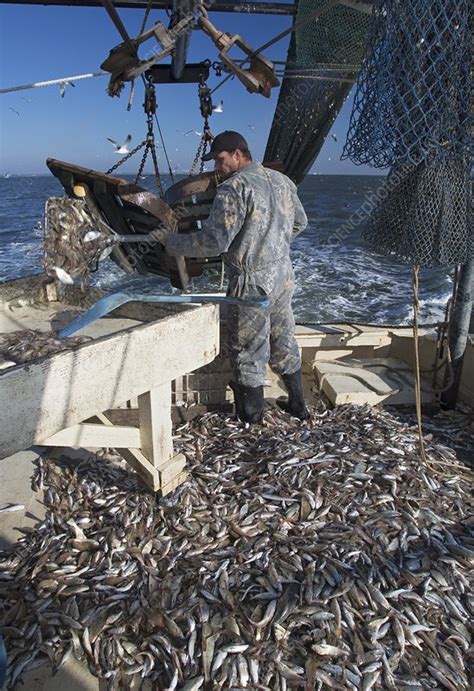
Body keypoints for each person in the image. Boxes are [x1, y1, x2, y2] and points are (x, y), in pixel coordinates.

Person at [156, 130, 309, 423]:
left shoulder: (233, 189)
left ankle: (251, 420)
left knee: (248, 350)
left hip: (252, 281)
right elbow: (300, 222)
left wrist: (171, 242)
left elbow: (214, 242)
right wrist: (270, 240)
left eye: (220, 159)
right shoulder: (282, 181)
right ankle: (299, 406)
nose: (217, 167)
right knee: (283, 338)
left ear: (239, 154)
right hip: (283, 274)